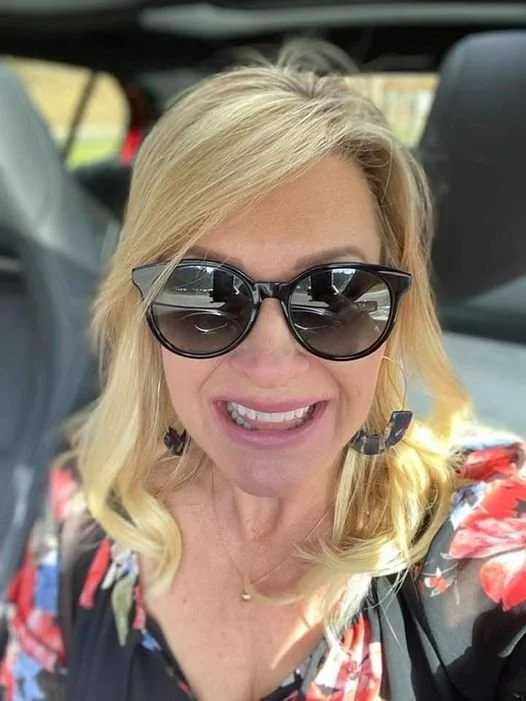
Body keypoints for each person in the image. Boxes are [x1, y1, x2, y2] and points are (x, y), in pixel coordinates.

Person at [1, 41, 525, 701]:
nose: (271, 363)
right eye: (204, 294)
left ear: (392, 322)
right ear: (145, 321)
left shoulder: (495, 536)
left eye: (336, 294)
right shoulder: (83, 523)